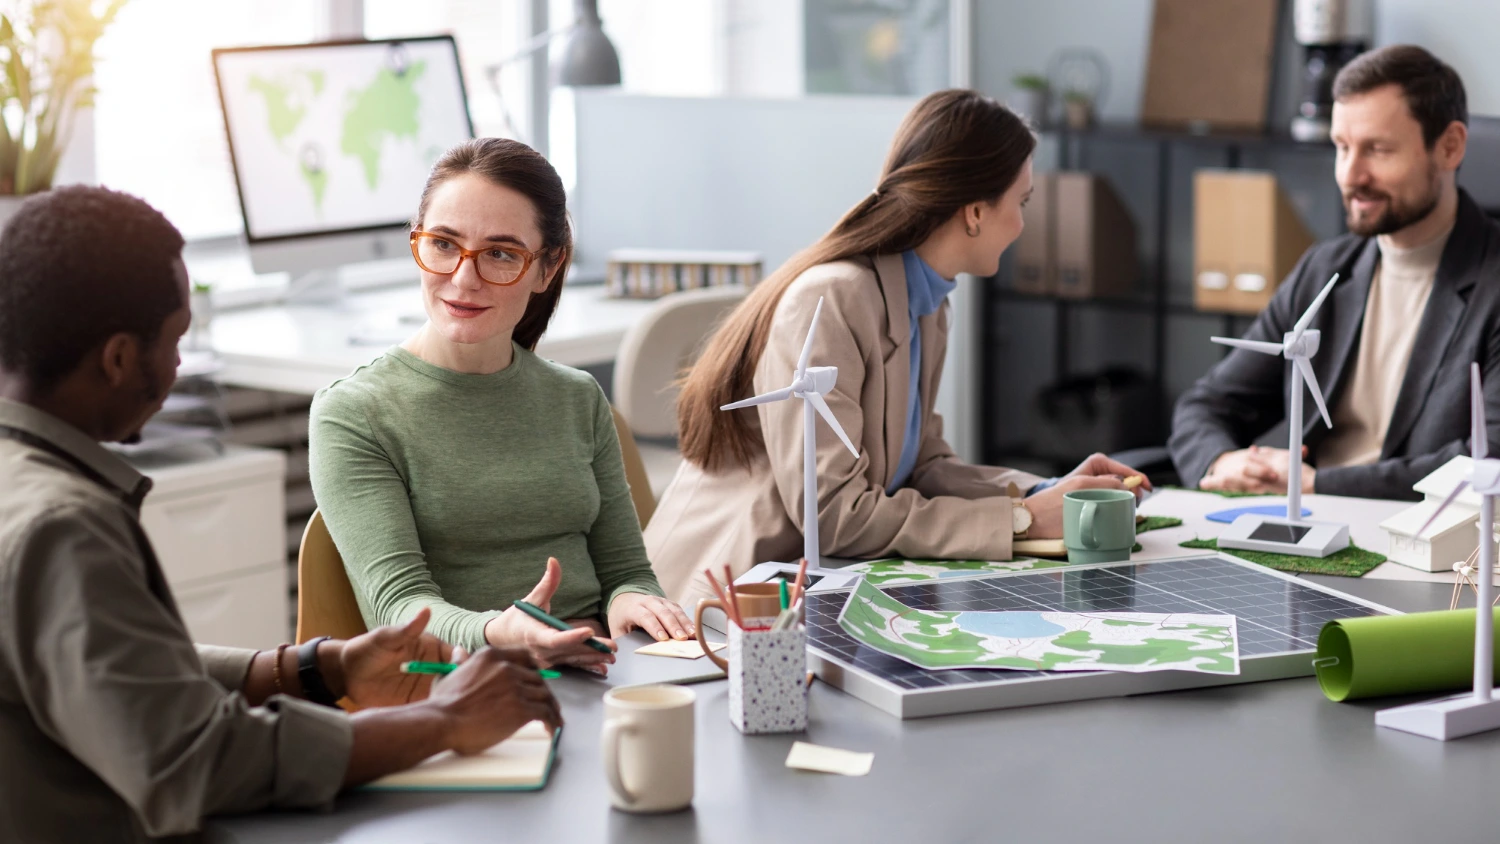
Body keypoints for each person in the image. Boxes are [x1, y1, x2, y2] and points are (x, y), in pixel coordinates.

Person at [0, 186, 564, 842]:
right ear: (120, 357)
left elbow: (132, 676)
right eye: (176, 340)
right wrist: (441, 722)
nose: (180, 365)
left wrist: (318, 669)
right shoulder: (64, 529)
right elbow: (196, 762)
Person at [646, 89, 1152, 604]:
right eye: (1019, 203)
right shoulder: (834, 299)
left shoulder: (928, 302)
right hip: (721, 601)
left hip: (812, 587)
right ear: (975, 211)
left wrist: (1044, 493)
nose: (1023, 224)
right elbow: (833, 514)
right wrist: (1018, 523)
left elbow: (923, 465)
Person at [310, 138, 690, 675]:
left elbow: (626, 569)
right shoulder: (354, 413)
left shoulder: (577, 397)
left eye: (501, 254)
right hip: (462, 684)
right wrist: (499, 632)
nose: (464, 279)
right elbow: (397, 608)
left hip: (599, 671)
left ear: (546, 268)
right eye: (443, 243)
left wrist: (629, 599)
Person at [1170, 45, 1500, 501]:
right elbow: (1205, 404)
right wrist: (1224, 461)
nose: (1350, 175)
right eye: (1341, 148)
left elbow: (1490, 462)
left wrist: (1316, 483)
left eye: (1378, 150)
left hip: (1426, 542)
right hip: (1296, 520)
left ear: (1450, 147)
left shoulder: (1493, 285)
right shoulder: (1325, 268)